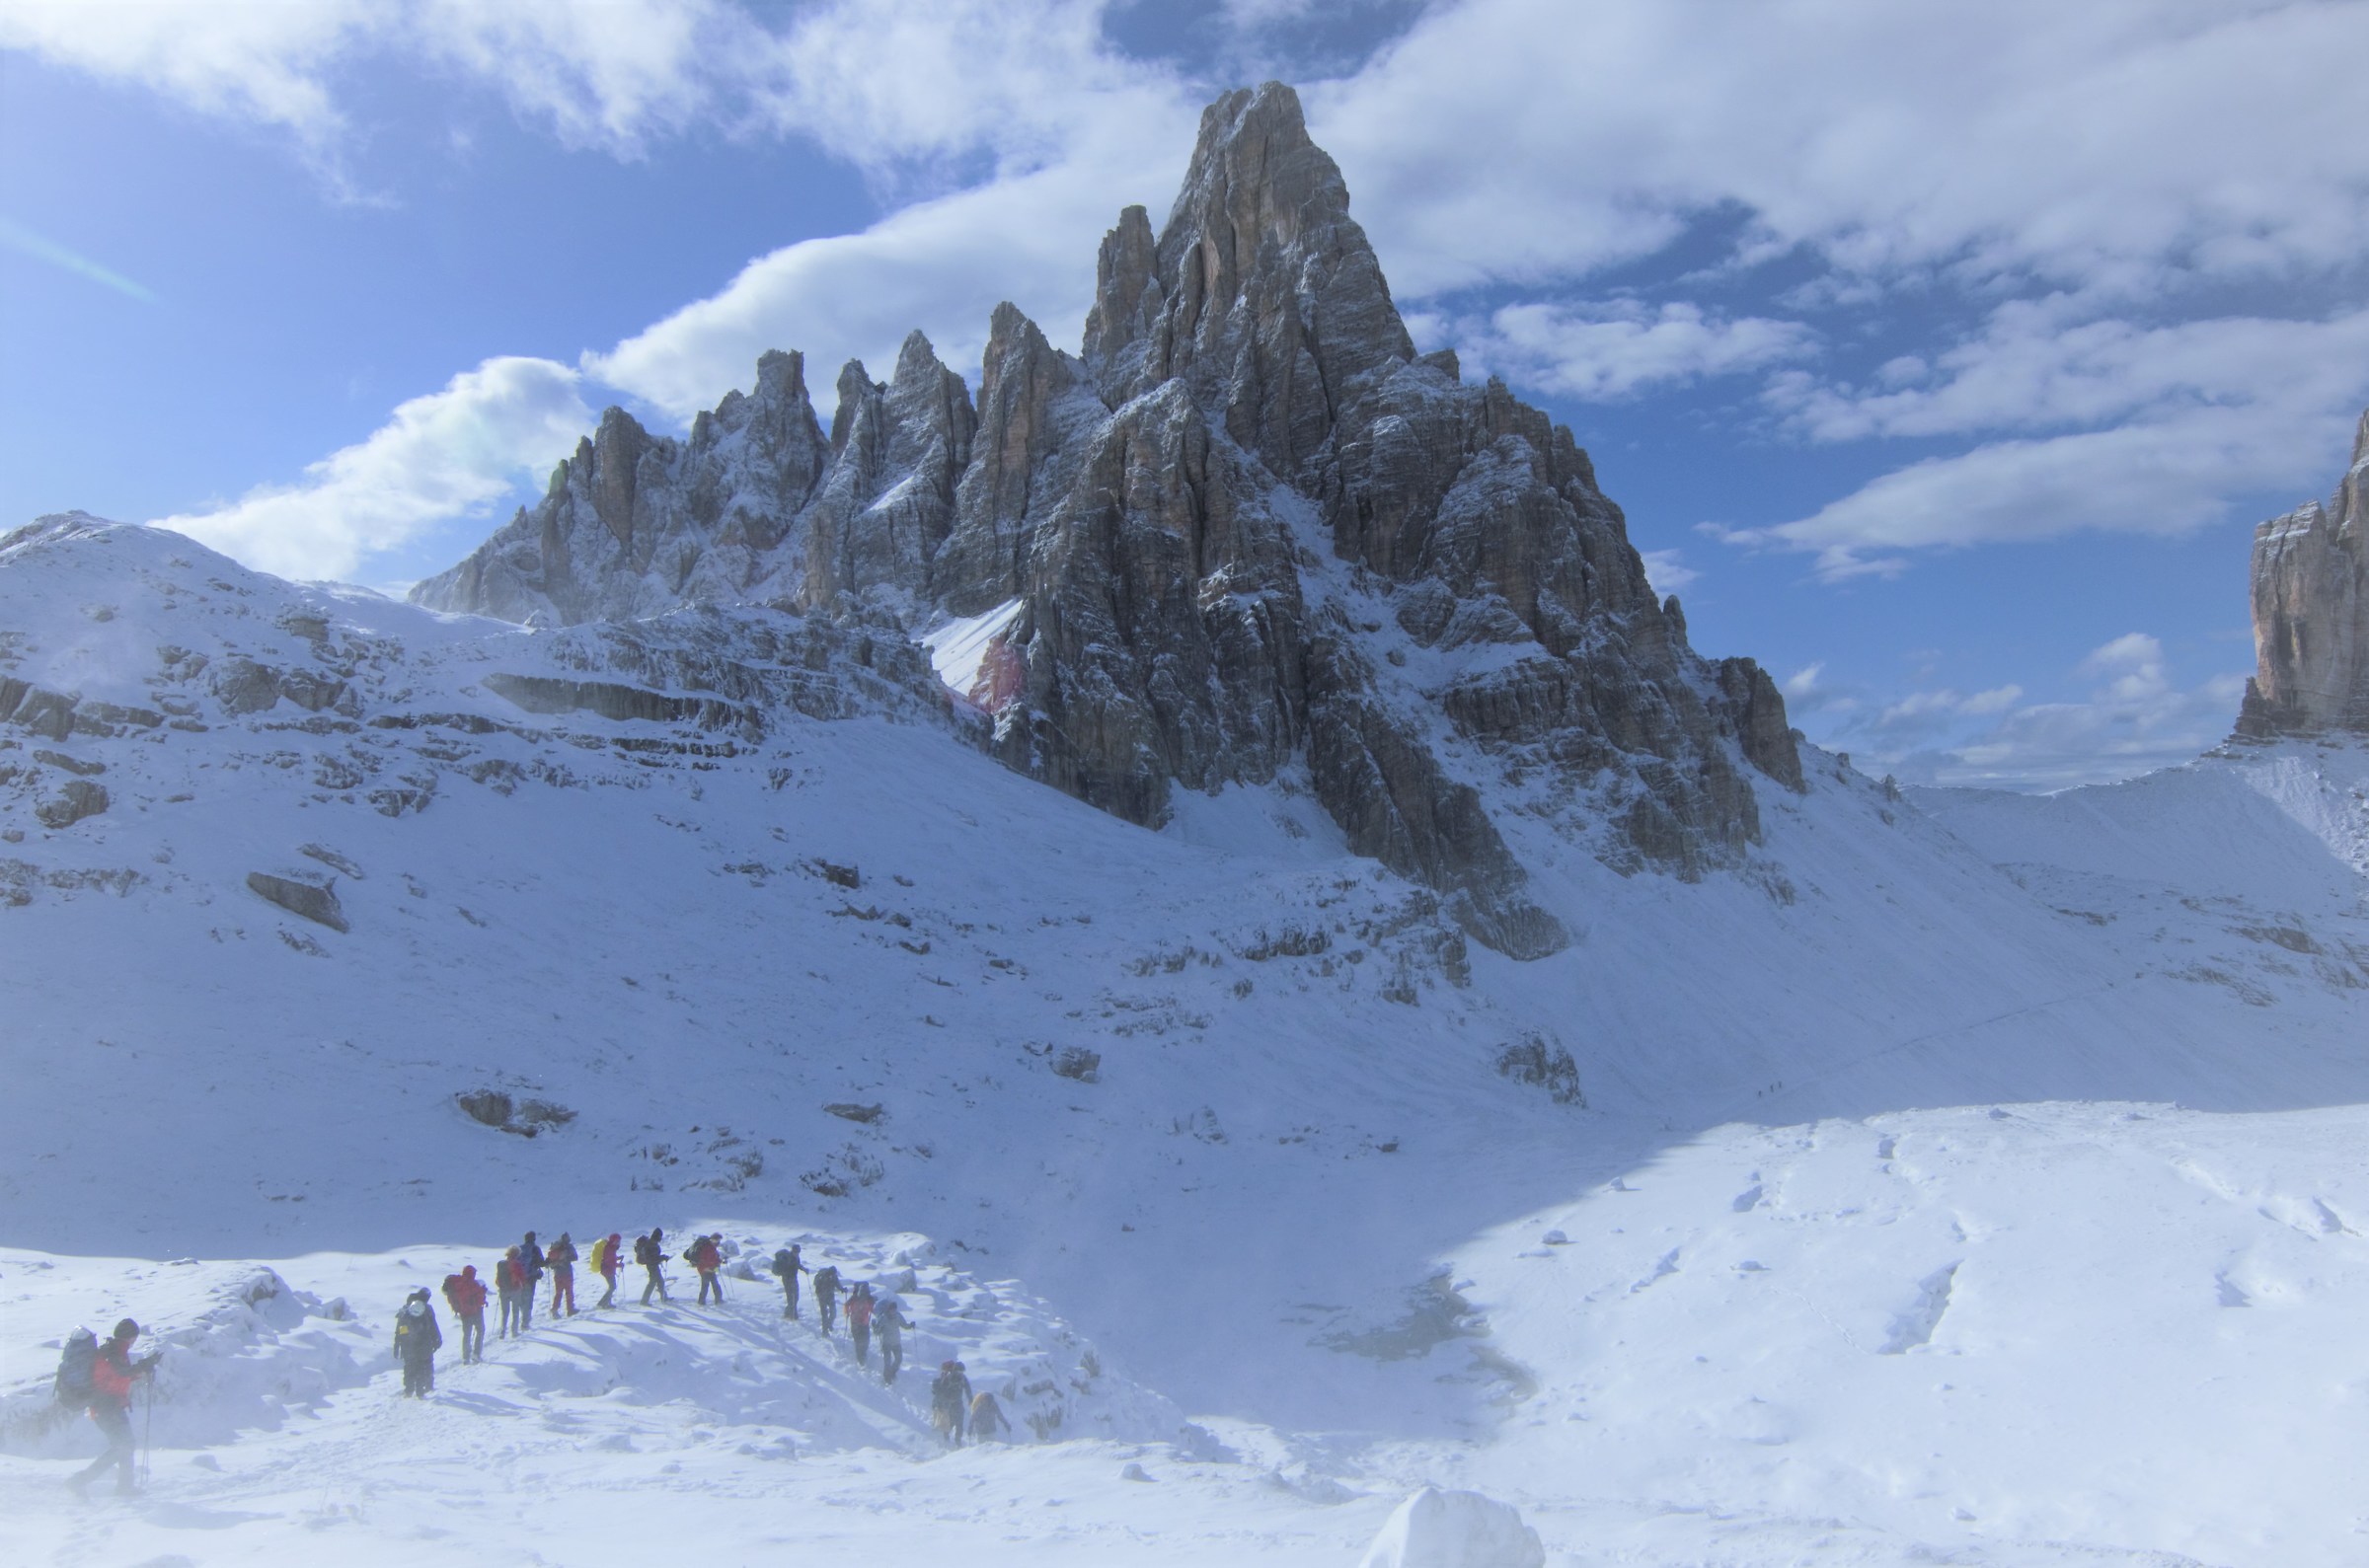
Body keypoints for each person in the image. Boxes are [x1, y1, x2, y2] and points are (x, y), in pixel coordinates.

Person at [68, 1319, 156, 1496]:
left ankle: (124, 1487)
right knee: (123, 1446)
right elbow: (122, 1372)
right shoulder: (115, 1351)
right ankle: (80, 1481)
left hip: (107, 1406)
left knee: (124, 1445)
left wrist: (141, 1370)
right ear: (132, 1336)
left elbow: (115, 1377)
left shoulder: (112, 1350)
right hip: (107, 1407)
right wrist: (144, 1366)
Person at [393, 1289, 443, 1397]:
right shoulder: (427, 1309)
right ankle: (425, 1388)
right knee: (424, 1365)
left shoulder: (405, 1311)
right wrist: (437, 1339)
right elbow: (433, 1326)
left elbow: (400, 1330)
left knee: (409, 1366)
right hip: (424, 1343)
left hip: (408, 1344)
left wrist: (397, 1346)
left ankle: (408, 1390)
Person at [441, 1265, 489, 1364]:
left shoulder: (456, 1283)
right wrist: (483, 1295)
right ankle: (476, 1354)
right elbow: (479, 1298)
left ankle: (465, 1357)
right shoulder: (473, 1284)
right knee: (480, 1331)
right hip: (476, 1311)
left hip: (463, 1313)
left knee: (466, 1334)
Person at [931, 1360, 972, 1446]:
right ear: (955, 1370)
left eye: (962, 1371)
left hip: (957, 1403)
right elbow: (942, 1390)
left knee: (959, 1424)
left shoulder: (962, 1378)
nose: (960, 1373)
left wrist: (970, 1399)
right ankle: (947, 1439)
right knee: (951, 1423)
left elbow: (968, 1388)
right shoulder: (949, 1378)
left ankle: (957, 1441)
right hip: (950, 1404)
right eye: (959, 1371)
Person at [874, 1296, 908, 1384]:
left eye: (895, 1310)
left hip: (896, 1342)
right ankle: (887, 1378)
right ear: (888, 1310)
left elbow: (904, 1325)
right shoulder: (884, 1318)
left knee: (899, 1359)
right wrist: (875, 1327)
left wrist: (910, 1325)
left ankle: (891, 1373)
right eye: (892, 1310)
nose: (893, 1312)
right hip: (886, 1343)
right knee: (887, 1362)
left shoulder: (898, 1316)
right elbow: (877, 1330)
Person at [769, 1243, 807, 1319]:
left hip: (794, 1279)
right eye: (796, 1252)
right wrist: (788, 1272)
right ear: (793, 1251)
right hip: (787, 1279)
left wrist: (804, 1269)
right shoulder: (787, 1258)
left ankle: (788, 1314)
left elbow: (797, 1265)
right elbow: (785, 1269)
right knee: (791, 1297)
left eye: (798, 1252)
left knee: (795, 1297)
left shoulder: (796, 1257)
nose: (797, 1253)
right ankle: (793, 1316)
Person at [546, 1232, 578, 1317]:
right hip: (567, 1272)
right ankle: (570, 1309)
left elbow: (549, 1260)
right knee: (569, 1291)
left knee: (558, 1292)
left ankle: (555, 1309)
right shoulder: (569, 1247)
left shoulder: (555, 1247)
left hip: (557, 1273)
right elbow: (575, 1257)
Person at [517, 1232, 546, 1329]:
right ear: (534, 1239)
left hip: (520, 1278)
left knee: (522, 1298)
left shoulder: (519, 1249)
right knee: (529, 1298)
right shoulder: (535, 1249)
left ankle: (523, 1316)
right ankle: (525, 1321)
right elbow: (541, 1263)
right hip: (531, 1277)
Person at [497, 1245, 526, 1338]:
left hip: (503, 1290)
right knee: (515, 1311)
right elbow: (522, 1277)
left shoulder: (500, 1264)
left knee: (504, 1312)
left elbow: (497, 1278)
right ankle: (514, 1332)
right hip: (515, 1290)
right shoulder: (517, 1264)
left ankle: (502, 1332)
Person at [688, 1233, 726, 1306]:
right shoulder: (708, 1248)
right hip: (706, 1269)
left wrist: (720, 1261)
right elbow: (706, 1259)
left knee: (709, 1285)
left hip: (707, 1269)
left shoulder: (711, 1247)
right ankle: (716, 1301)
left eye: (719, 1240)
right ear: (713, 1239)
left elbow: (714, 1258)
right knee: (710, 1285)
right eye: (717, 1240)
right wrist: (710, 1267)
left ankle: (703, 1302)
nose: (718, 1242)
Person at [637, 1229, 669, 1306]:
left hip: (652, 1265)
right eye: (660, 1236)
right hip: (652, 1266)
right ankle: (644, 1301)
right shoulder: (651, 1244)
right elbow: (652, 1258)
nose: (661, 1238)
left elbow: (653, 1257)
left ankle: (663, 1297)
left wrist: (661, 1257)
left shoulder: (652, 1243)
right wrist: (662, 1258)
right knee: (652, 1282)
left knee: (659, 1281)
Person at [846, 1282, 874, 1366]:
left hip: (862, 1323)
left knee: (864, 1341)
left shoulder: (868, 1299)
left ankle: (862, 1356)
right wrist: (847, 1312)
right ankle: (861, 1359)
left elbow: (871, 1309)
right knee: (859, 1341)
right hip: (856, 1323)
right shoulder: (854, 1299)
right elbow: (846, 1305)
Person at [811, 1264, 842, 1336]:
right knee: (824, 1314)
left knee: (833, 1313)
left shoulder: (834, 1276)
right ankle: (825, 1331)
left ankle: (828, 1324)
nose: (832, 1276)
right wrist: (820, 1294)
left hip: (830, 1296)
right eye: (832, 1274)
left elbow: (837, 1284)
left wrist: (842, 1289)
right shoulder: (822, 1277)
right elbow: (816, 1285)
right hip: (822, 1297)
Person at [594, 1232, 623, 1308]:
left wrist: (618, 1258)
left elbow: (611, 1259)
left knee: (611, 1287)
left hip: (608, 1270)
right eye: (617, 1241)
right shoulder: (609, 1249)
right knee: (612, 1287)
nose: (618, 1243)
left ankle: (606, 1303)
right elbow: (610, 1262)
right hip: (607, 1270)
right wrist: (619, 1265)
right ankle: (602, 1303)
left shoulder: (611, 1248)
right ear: (613, 1241)